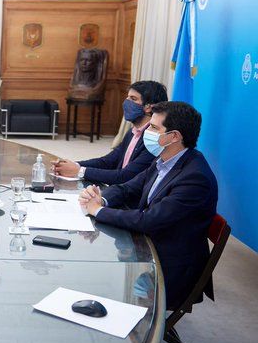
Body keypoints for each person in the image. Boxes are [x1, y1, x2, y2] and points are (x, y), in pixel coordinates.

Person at [79, 101, 217, 308]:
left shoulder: (195, 178)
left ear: (174, 136)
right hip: (151, 245)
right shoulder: (165, 159)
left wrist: (98, 210)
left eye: (153, 127)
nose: (146, 132)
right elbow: (128, 188)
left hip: (170, 268)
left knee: (93, 278)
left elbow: (149, 221)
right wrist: (101, 198)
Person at [53, 81, 168, 185]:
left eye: (133, 99)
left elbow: (124, 177)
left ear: (148, 107)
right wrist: (74, 165)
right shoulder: (132, 131)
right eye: (127, 97)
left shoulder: (153, 141)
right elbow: (108, 161)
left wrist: (79, 171)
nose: (126, 102)